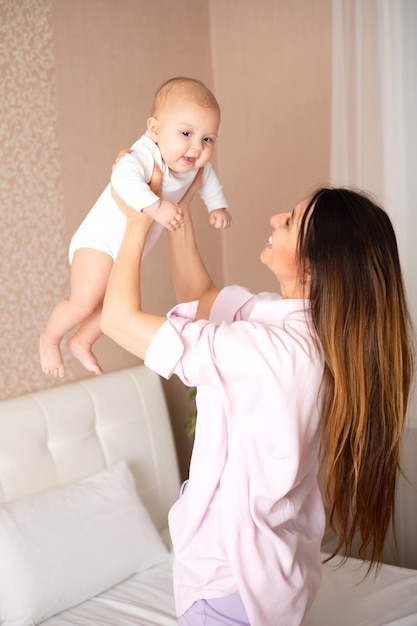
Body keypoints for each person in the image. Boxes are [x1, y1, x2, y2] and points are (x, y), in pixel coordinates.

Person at [100, 163, 414, 625]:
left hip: (228, 583)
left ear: (310, 267)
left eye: (288, 222)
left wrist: (136, 219)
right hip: (273, 573)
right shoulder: (294, 322)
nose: (273, 219)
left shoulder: (274, 352)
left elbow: (117, 321)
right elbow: (204, 296)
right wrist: (177, 209)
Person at [40, 77, 231, 378]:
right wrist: (155, 206)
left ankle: (82, 340)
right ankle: (50, 340)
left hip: (124, 250)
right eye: (186, 133)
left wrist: (217, 205)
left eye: (208, 139)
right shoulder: (145, 154)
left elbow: (208, 181)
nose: (197, 147)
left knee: (109, 304)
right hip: (98, 242)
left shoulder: (194, 166)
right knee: (83, 303)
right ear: (155, 130)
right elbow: (122, 179)